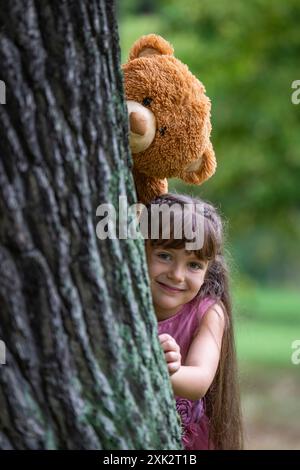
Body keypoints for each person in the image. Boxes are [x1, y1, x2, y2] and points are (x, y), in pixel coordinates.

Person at [143, 193, 243, 450]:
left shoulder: (208, 312)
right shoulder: (121, 302)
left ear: (209, 268)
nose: (177, 275)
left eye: (194, 265)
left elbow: (199, 380)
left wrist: (168, 371)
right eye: (165, 255)